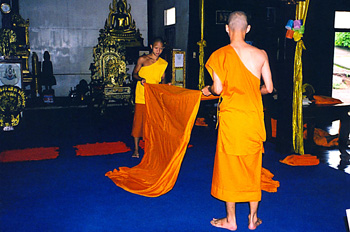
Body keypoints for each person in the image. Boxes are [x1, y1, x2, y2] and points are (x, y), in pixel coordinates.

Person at [201, 11, 273, 231]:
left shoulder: (219, 55)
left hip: (232, 120)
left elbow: (218, 89)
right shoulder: (261, 54)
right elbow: (269, 88)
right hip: (252, 120)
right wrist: (251, 90)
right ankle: (253, 219)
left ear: (227, 29)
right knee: (252, 168)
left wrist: (207, 90)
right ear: (248, 28)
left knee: (230, 168)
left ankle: (231, 220)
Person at [131, 37, 168, 158]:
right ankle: (136, 150)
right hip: (141, 95)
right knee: (138, 123)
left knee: (153, 123)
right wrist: (140, 79)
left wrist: (165, 86)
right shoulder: (142, 59)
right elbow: (134, 74)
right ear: (151, 47)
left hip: (154, 96)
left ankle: (151, 148)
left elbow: (163, 79)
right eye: (156, 48)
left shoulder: (163, 63)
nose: (158, 51)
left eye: (161, 49)